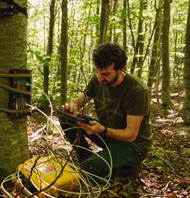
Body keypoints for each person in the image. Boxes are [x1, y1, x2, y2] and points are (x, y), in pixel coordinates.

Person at [60, 43, 151, 177]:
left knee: (91, 168)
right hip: (106, 132)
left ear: (121, 69)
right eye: (97, 72)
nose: (100, 78)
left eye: (106, 74)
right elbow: (78, 102)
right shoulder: (98, 80)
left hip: (134, 145)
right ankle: (86, 158)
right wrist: (71, 107)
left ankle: (127, 167)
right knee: (65, 117)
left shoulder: (137, 90)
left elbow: (131, 134)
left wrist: (102, 130)